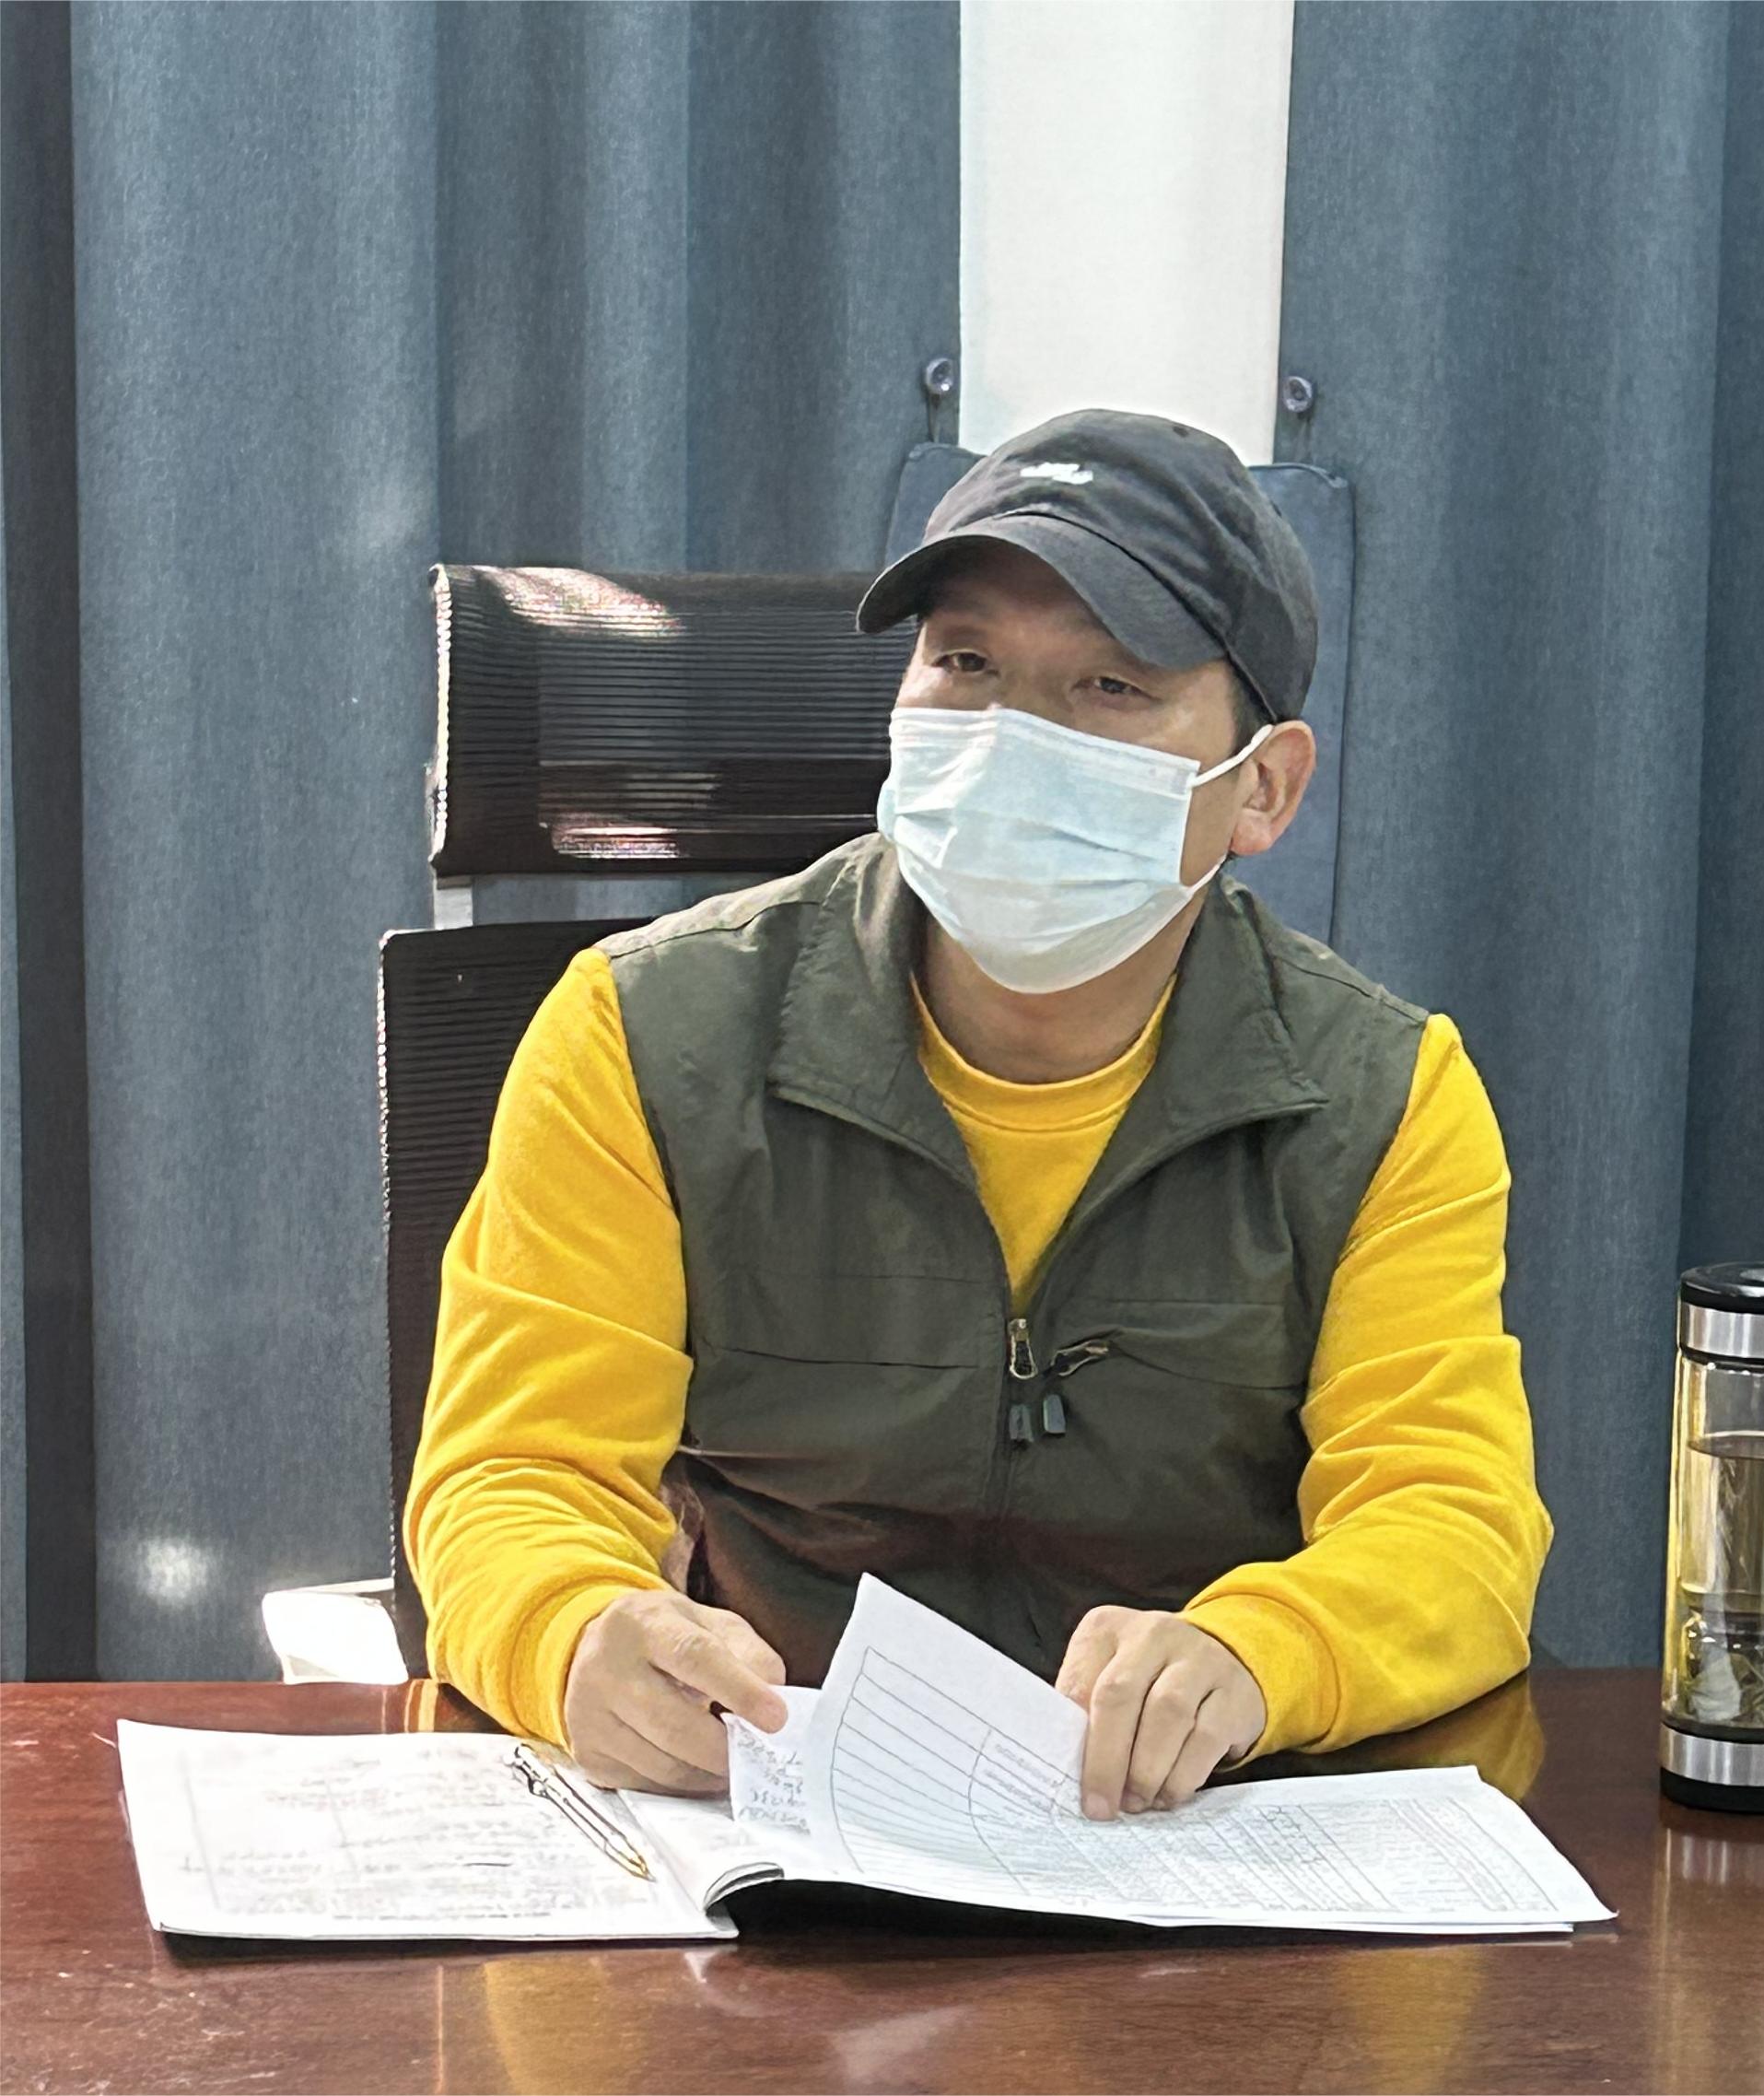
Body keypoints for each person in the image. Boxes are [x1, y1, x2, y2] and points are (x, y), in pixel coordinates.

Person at [405, 407, 1551, 1821]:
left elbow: (1452, 1521)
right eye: (966, 663)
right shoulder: (643, 1037)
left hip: (1177, 1833)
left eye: (1110, 685)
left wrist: (1261, 1656)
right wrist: (576, 1632)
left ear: (1263, 788)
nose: (1012, 737)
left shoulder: (1385, 1097)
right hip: (767, 1817)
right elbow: (514, 1475)